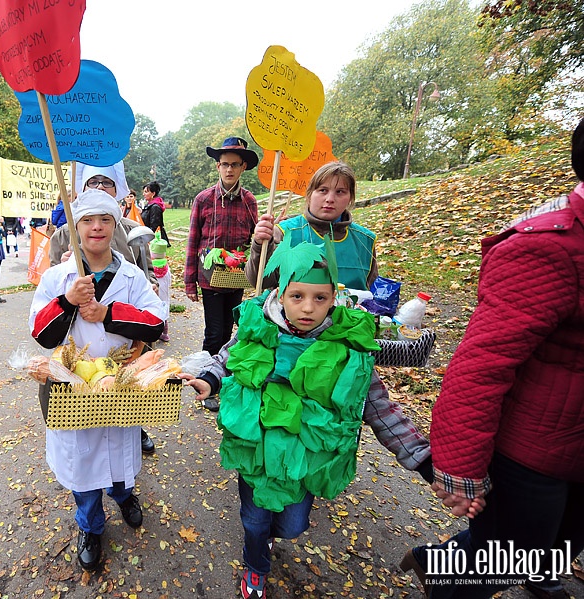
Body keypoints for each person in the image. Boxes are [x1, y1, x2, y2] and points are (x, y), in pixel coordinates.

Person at [182, 237, 434, 599]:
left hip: (308, 456)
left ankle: (270, 537)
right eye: (297, 296)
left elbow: (379, 407)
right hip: (259, 450)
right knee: (255, 520)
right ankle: (255, 564)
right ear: (282, 295)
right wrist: (210, 379)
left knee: (293, 524)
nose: (308, 307)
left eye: (320, 298)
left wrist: (422, 459)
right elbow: (227, 355)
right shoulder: (259, 325)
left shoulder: (349, 346)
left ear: (334, 298)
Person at [401, 118, 584, 599]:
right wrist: (460, 472)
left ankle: (531, 568)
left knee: (561, 541)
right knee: (502, 556)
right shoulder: (551, 247)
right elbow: (480, 367)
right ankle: (447, 576)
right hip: (535, 448)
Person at [29, 188, 166, 573]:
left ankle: (124, 497)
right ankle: (90, 525)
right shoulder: (58, 278)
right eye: (87, 220)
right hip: (75, 391)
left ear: (115, 226)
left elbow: (156, 321)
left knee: (119, 455)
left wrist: (107, 312)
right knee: (83, 462)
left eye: (105, 220)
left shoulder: (132, 276)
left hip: (120, 385)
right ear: (76, 227)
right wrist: (67, 301)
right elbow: (41, 335)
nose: (96, 228)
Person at [49, 162, 158, 455]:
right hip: (77, 363)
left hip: (123, 350)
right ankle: (88, 500)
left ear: (117, 192)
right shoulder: (62, 236)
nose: (98, 188)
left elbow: (146, 280)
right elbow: (48, 299)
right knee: (82, 447)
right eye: (92, 182)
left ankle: (124, 489)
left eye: (106, 183)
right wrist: (67, 290)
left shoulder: (134, 231)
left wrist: (115, 309)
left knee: (123, 434)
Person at [184, 136, 259, 411]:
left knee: (232, 331)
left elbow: (256, 238)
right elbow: (193, 240)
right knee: (215, 331)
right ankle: (207, 383)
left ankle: (225, 378)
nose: (229, 170)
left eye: (235, 165)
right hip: (210, 278)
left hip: (237, 276)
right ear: (217, 166)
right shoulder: (204, 199)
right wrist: (189, 281)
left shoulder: (249, 201)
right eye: (225, 164)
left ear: (242, 168)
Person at [245, 161, 377, 292]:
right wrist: (259, 245)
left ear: (350, 198)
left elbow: (374, 294)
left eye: (340, 192)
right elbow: (260, 281)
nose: (330, 199)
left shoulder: (365, 240)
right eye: (323, 190)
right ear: (309, 194)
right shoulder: (285, 232)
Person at [141, 181, 169, 246]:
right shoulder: (149, 205)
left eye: (146, 192)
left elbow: (155, 227)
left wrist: (147, 239)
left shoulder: (155, 207)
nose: (143, 194)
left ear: (153, 193)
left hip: (153, 241)